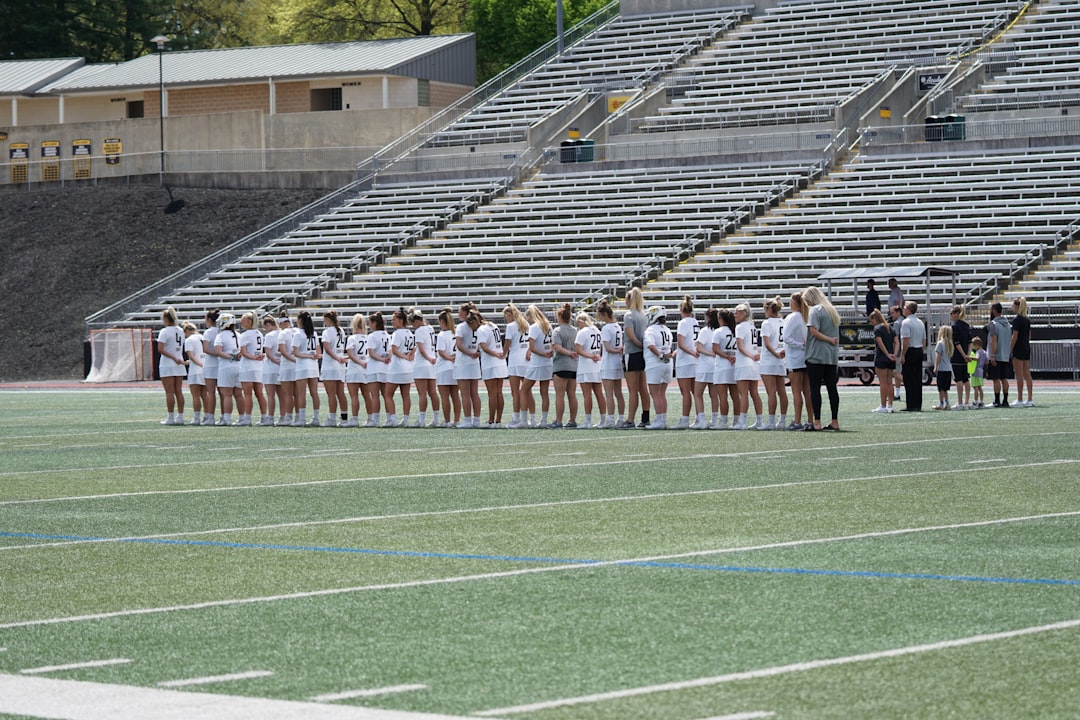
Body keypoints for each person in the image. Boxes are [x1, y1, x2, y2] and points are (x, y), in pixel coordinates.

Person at [804, 286, 841, 431]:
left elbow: (813, 331)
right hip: (831, 355)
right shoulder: (832, 310)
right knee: (832, 388)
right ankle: (835, 421)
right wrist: (831, 340)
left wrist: (828, 339)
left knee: (815, 388)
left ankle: (817, 422)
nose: (806, 303)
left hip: (816, 354)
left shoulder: (815, 310)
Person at [732, 302, 763, 431]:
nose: (735, 315)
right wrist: (754, 356)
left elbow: (740, 347)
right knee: (754, 392)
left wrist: (750, 355)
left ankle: (742, 422)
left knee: (743, 394)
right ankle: (759, 420)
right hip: (753, 364)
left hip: (744, 363)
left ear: (744, 313)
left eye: (737, 313)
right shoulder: (752, 326)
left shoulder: (740, 327)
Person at [522, 304, 553, 428]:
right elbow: (552, 343)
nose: (528, 320)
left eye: (528, 317)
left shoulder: (534, 327)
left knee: (523, 390)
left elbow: (532, 348)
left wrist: (543, 354)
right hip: (548, 363)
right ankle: (543, 420)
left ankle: (526, 420)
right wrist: (548, 352)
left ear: (531, 316)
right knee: (544, 392)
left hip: (537, 363)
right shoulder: (548, 325)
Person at [784, 293, 812, 430]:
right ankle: (811, 420)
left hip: (795, 358)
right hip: (806, 357)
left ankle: (797, 421)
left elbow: (786, 337)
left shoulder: (793, 317)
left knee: (796, 391)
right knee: (807, 391)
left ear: (795, 302)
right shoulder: (806, 315)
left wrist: (799, 345)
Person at [623, 287, 650, 428]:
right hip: (643, 355)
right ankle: (645, 418)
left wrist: (640, 346)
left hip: (632, 353)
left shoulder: (629, 316)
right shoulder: (643, 316)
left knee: (633, 390)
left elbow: (632, 337)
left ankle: (630, 419)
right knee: (643, 388)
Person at [642, 306, 673, 430]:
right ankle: (663, 419)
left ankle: (659, 420)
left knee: (655, 394)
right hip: (667, 363)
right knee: (661, 393)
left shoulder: (650, 330)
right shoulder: (667, 329)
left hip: (655, 363)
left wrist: (660, 355)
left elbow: (651, 345)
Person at [760, 296, 788, 430]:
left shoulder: (767, 323)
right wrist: (782, 352)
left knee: (771, 392)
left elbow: (767, 343)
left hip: (769, 360)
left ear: (769, 309)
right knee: (782, 391)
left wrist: (775, 354)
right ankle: (782, 420)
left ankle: (771, 421)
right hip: (781, 360)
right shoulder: (783, 322)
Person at [384, 308, 416, 428]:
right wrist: (409, 355)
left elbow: (394, 350)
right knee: (405, 395)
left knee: (388, 394)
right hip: (408, 368)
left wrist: (404, 356)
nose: (392, 322)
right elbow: (414, 347)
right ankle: (405, 419)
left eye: (394, 319)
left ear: (401, 321)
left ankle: (393, 420)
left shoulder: (397, 333)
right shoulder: (409, 333)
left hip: (397, 367)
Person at [597, 300, 626, 429]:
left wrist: (616, 350)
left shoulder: (606, 328)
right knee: (618, 393)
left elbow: (607, 348)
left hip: (608, 363)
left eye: (599, 315)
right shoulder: (617, 326)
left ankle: (610, 420)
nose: (599, 317)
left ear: (604, 314)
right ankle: (621, 418)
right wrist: (619, 350)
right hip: (617, 363)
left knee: (609, 394)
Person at [550, 303, 579, 428]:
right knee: (572, 394)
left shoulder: (557, 331)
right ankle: (572, 420)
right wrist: (573, 353)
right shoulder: (575, 330)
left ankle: (558, 420)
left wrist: (569, 353)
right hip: (574, 366)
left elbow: (558, 347)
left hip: (561, 365)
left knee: (560, 394)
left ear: (560, 317)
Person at [409, 307, 439, 427]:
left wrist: (428, 358)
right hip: (431, 364)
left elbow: (421, 350)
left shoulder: (419, 331)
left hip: (422, 363)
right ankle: (436, 419)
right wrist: (431, 359)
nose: (413, 326)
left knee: (422, 393)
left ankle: (421, 420)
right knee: (433, 392)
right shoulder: (430, 328)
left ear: (416, 321)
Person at [291, 310, 322, 427]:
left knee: (301, 394)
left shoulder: (298, 334)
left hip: (303, 366)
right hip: (313, 366)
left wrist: (308, 356)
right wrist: (313, 356)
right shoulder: (314, 333)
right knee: (314, 393)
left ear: (300, 320)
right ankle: (316, 418)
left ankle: (302, 419)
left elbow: (296, 352)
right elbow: (319, 352)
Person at [574, 312, 605, 428]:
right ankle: (603, 420)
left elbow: (578, 350)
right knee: (599, 393)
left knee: (587, 394)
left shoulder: (582, 332)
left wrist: (590, 356)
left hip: (586, 365)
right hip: (597, 364)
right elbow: (600, 347)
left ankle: (587, 421)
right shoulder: (597, 330)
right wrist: (595, 356)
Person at [157, 306, 187, 425]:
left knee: (169, 392)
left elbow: (160, 349)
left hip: (168, 364)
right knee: (178, 391)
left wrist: (173, 357)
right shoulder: (180, 330)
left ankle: (170, 417)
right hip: (179, 362)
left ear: (166, 319)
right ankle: (180, 417)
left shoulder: (164, 331)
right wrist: (176, 357)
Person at [237, 311, 268, 426]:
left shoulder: (245, 335)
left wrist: (254, 357)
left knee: (248, 394)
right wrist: (256, 357)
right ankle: (265, 417)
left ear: (249, 321)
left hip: (248, 366)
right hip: (259, 366)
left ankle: (248, 418)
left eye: (243, 319)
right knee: (259, 393)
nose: (241, 321)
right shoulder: (259, 333)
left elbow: (244, 352)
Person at [478, 311, 508, 428]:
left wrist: (495, 354)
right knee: (499, 392)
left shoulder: (481, 329)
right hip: (500, 362)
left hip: (490, 362)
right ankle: (498, 421)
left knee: (492, 393)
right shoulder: (493, 325)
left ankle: (491, 421)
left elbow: (484, 347)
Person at [454, 304, 482, 429]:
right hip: (474, 362)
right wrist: (476, 352)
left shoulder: (461, 327)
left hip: (463, 362)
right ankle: (476, 420)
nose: (458, 314)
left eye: (460, 311)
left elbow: (459, 345)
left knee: (465, 393)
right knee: (474, 393)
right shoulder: (478, 325)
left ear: (465, 313)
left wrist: (470, 353)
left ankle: (467, 420)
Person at [503, 303, 530, 429]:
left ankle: (516, 418)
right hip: (526, 360)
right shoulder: (526, 324)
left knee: (515, 392)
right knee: (527, 391)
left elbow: (507, 343)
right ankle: (531, 418)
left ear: (509, 314)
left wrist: (503, 355)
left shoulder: (511, 326)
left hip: (514, 360)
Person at [674, 295, 699, 430]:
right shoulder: (695, 321)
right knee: (695, 392)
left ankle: (684, 419)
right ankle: (699, 417)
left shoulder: (683, 323)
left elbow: (681, 344)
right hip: (695, 360)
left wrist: (689, 352)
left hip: (685, 361)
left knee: (685, 392)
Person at [213, 313, 243, 426]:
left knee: (227, 394)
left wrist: (231, 357)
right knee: (239, 394)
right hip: (239, 366)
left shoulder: (220, 336)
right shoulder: (239, 335)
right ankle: (243, 418)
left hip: (226, 366)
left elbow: (218, 351)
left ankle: (227, 418)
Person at [320, 311, 348, 427]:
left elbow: (327, 349)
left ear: (328, 319)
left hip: (330, 366)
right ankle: (344, 418)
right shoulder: (341, 330)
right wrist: (339, 358)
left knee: (331, 394)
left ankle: (332, 419)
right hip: (340, 366)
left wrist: (336, 358)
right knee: (340, 393)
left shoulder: (327, 332)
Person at [712, 308, 738, 430]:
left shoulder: (718, 332)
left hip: (722, 366)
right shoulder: (735, 330)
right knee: (735, 396)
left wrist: (727, 356)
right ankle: (737, 421)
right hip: (734, 365)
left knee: (722, 396)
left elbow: (715, 349)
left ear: (721, 319)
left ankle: (723, 422)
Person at [691, 308, 717, 430]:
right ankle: (714, 420)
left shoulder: (705, 331)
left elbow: (699, 348)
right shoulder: (718, 331)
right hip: (716, 366)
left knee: (697, 394)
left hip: (704, 366)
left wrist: (710, 353)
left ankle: (701, 420)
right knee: (714, 395)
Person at [435, 308, 461, 428]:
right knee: (455, 395)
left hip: (444, 367)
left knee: (445, 396)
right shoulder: (455, 333)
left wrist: (449, 358)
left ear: (442, 321)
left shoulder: (442, 335)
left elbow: (441, 352)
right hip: (455, 366)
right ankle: (456, 420)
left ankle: (447, 421)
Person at [899, 300, 926, 412]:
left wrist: (902, 355)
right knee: (917, 379)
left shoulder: (906, 322)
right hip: (919, 349)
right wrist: (921, 351)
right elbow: (924, 340)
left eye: (905, 307)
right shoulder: (920, 322)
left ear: (909, 310)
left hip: (910, 350)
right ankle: (917, 404)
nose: (903, 309)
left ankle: (911, 404)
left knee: (909, 379)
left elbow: (906, 340)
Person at [343, 313, 369, 428]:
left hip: (354, 369)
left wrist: (359, 362)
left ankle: (354, 419)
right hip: (366, 369)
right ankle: (371, 418)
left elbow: (351, 354)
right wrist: (363, 362)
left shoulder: (352, 338)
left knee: (354, 396)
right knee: (367, 395)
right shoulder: (368, 338)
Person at [869, 309, 897, 413]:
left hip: (881, 357)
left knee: (883, 383)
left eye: (872, 320)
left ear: (875, 319)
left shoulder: (877, 329)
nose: (871, 323)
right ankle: (890, 405)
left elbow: (880, 343)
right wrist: (894, 354)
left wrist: (887, 354)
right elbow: (897, 342)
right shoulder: (890, 328)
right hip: (891, 358)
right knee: (890, 382)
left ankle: (883, 405)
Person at [365, 312, 390, 427]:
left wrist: (381, 359)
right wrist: (386, 359)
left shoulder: (372, 336)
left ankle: (375, 420)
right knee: (386, 395)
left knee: (375, 396)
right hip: (385, 368)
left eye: (370, 323)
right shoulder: (386, 334)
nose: (369, 325)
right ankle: (390, 418)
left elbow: (371, 353)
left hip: (375, 367)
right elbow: (390, 351)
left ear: (375, 323)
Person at [986, 302, 1012, 408]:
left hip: (996, 355)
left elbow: (994, 340)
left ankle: (997, 400)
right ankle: (1005, 400)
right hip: (1005, 355)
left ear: (994, 310)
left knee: (996, 378)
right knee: (1004, 378)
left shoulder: (993, 324)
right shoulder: (1008, 324)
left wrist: (992, 355)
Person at [1011, 296, 1033, 407]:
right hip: (1026, 347)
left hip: (1018, 348)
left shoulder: (1017, 320)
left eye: (1013, 306)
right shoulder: (1027, 320)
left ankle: (1019, 399)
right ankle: (1029, 399)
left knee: (1019, 374)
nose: (1012, 308)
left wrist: (1010, 349)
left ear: (1017, 306)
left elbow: (1014, 336)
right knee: (1027, 374)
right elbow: (1029, 336)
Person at [200, 309, 221, 426]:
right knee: (223, 393)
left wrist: (216, 353)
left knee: (211, 392)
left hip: (210, 365)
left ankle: (210, 417)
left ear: (209, 319)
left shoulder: (208, 332)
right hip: (221, 364)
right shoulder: (221, 331)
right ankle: (224, 416)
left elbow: (205, 349)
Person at [182, 321, 204, 425]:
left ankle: (196, 418)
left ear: (186, 331)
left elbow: (192, 356)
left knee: (195, 395)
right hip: (205, 369)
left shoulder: (189, 340)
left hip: (196, 370)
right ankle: (208, 416)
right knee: (205, 394)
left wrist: (199, 364)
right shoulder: (202, 337)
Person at [275, 314, 296, 426]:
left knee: (288, 394)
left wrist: (293, 359)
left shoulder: (283, 333)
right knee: (298, 394)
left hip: (287, 366)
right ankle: (299, 417)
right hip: (298, 366)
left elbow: (283, 351)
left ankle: (288, 418)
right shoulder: (297, 331)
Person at [950, 305, 972, 410]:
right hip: (965, 356)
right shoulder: (966, 326)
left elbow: (957, 343)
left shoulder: (955, 327)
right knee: (965, 379)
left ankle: (960, 402)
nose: (950, 315)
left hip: (957, 356)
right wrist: (967, 355)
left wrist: (963, 355)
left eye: (951, 313)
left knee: (958, 379)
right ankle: (966, 402)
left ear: (956, 314)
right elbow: (970, 342)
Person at [261, 315, 282, 423]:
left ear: (269, 325)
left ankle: (270, 418)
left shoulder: (270, 336)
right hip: (281, 367)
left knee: (270, 395)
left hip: (270, 367)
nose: (265, 329)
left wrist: (276, 361)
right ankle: (283, 417)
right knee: (282, 395)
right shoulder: (283, 333)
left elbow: (268, 353)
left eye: (265, 327)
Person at [932, 325, 954, 410]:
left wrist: (936, 367)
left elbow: (938, 356)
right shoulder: (950, 344)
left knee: (941, 388)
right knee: (945, 389)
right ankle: (947, 403)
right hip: (948, 369)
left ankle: (941, 404)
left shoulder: (940, 343)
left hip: (942, 369)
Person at [888, 305, 904, 403]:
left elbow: (895, 339)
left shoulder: (897, 323)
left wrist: (894, 352)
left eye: (893, 313)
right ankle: (897, 394)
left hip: (898, 351)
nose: (891, 315)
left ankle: (909, 384)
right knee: (898, 371)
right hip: (903, 350)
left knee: (895, 372)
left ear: (898, 312)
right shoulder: (904, 321)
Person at [969, 337, 988, 409]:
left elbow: (977, 358)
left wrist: (969, 357)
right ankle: (981, 402)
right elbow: (987, 361)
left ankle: (975, 402)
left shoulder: (978, 352)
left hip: (976, 370)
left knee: (976, 387)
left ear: (976, 345)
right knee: (980, 387)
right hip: (981, 370)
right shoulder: (984, 352)